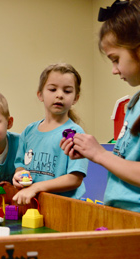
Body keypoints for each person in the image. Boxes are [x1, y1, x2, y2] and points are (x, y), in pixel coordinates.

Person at [61, 0, 140, 219]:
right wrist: (89, 152)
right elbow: (127, 163)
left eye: (116, 59)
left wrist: (99, 154)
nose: (114, 70)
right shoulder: (137, 102)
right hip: (125, 216)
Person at [12, 63, 88, 205]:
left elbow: (74, 178)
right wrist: (19, 175)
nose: (59, 95)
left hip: (65, 208)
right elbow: (21, 164)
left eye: (67, 91)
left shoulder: (75, 133)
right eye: (53, 89)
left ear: (75, 98)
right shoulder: (29, 131)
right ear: (40, 94)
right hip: (34, 205)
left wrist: (36, 187)